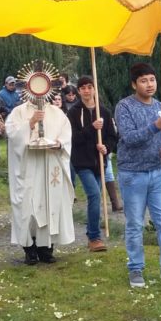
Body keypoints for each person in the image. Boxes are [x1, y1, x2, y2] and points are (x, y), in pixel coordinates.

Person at [115, 62, 161, 290]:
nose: (149, 84)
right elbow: (128, 138)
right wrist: (155, 127)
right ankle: (135, 268)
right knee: (135, 223)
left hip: (158, 173)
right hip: (132, 174)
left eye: (152, 80)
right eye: (144, 80)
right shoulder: (124, 106)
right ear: (134, 84)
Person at [5, 93, 75, 265]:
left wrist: (59, 143)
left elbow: (66, 134)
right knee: (27, 207)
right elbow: (12, 135)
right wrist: (30, 123)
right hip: (28, 167)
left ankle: (47, 249)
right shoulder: (18, 112)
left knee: (50, 205)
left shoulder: (57, 113)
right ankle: (29, 250)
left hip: (50, 166)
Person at [67, 75, 118, 252]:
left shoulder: (104, 112)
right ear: (79, 91)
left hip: (100, 162)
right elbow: (72, 138)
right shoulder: (73, 112)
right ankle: (95, 237)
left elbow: (112, 136)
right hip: (81, 162)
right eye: (83, 88)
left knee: (95, 199)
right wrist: (92, 128)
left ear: (94, 89)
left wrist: (107, 148)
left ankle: (91, 234)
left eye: (90, 87)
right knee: (95, 195)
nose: (87, 91)